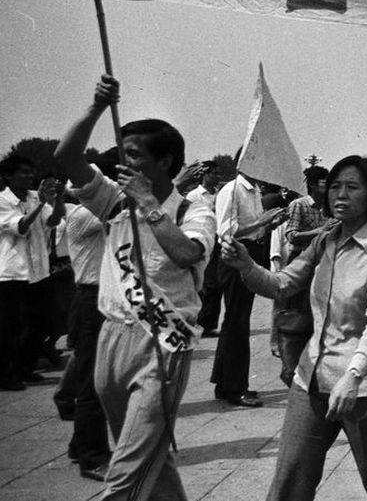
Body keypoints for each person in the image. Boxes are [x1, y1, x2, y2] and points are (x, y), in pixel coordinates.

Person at [55, 74, 217, 501]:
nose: (122, 165)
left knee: (125, 471)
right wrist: (95, 107)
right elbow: (66, 155)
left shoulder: (191, 207)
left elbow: (187, 254)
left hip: (161, 344)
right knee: (151, 458)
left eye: (133, 155)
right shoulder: (112, 200)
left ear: (164, 162)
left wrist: (147, 203)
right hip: (111, 336)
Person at [221, 155, 367, 501]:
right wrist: (246, 263)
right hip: (310, 379)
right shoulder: (324, 241)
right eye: (335, 186)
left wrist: (352, 377)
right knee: (291, 478)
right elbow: (281, 284)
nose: (339, 194)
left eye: (351, 187)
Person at [53, 151, 117, 480]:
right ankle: (93, 456)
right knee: (93, 383)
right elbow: (124, 211)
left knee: (91, 376)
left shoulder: (90, 211)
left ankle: (81, 445)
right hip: (90, 298)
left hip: (99, 297)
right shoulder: (83, 214)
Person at [212, 169, 287, 407]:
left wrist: (269, 224)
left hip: (249, 253)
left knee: (238, 320)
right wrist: (261, 221)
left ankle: (227, 383)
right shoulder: (231, 190)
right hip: (233, 255)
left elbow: (254, 229)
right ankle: (234, 387)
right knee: (236, 321)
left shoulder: (254, 191)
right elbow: (225, 231)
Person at [0, 155, 60, 390]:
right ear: (8, 176)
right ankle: (6, 374)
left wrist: (57, 199)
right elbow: (21, 227)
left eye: (31, 172)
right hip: (12, 272)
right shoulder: (3, 201)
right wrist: (43, 204)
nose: (29, 176)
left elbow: (54, 222)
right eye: (23, 172)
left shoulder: (35, 196)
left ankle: (26, 367)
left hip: (38, 270)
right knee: (11, 327)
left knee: (43, 321)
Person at [274, 165, 330, 387]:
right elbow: (291, 235)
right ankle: (290, 367)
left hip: (323, 263)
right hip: (301, 262)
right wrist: (319, 233)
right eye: (325, 181)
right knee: (296, 315)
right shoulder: (299, 205)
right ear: (314, 184)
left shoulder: (329, 207)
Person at [190, 163, 226, 336]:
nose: (217, 177)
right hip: (200, 241)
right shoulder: (194, 196)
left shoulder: (220, 195)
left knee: (216, 284)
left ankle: (208, 323)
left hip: (218, 241)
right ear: (204, 175)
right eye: (214, 173)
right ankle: (198, 321)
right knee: (204, 283)